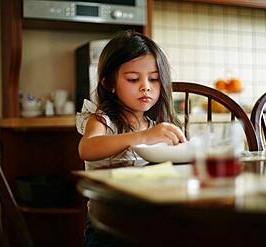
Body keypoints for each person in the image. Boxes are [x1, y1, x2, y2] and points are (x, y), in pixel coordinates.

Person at [76, 30, 185, 246]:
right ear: (109, 84)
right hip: (108, 225)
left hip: (149, 221)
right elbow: (87, 148)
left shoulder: (155, 127)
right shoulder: (102, 121)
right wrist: (143, 136)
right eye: (133, 79)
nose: (146, 86)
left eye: (154, 79)